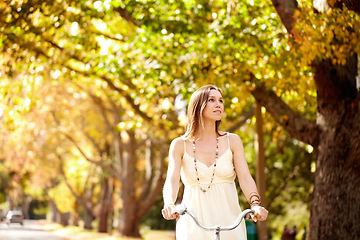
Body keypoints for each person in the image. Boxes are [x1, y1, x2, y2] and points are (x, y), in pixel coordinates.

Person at [161, 85, 268, 239]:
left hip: (229, 222)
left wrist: (255, 204)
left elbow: (245, 178)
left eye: (220, 100)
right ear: (198, 106)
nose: (219, 104)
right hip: (193, 223)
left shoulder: (233, 141)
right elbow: (172, 181)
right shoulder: (179, 145)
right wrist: (169, 204)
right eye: (211, 100)